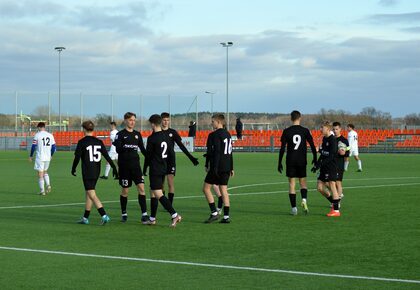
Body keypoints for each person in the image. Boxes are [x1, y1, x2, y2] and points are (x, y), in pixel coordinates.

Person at [71, 120, 118, 225]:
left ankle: (104, 215)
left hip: (87, 171)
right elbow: (107, 156)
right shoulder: (99, 142)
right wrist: (114, 167)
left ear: (84, 129)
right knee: (89, 193)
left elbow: (77, 158)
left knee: (91, 193)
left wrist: (73, 168)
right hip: (96, 171)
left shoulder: (82, 142)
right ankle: (85, 218)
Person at [143, 114, 182, 227]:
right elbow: (171, 153)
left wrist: (144, 169)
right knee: (153, 192)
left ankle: (174, 215)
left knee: (158, 193)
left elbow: (148, 156)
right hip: (163, 168)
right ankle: (152, 218)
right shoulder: (166, 136)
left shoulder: (152, 138)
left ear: (153, 124)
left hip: (155, 169)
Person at [278, 111, 317, 215]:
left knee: (292, 184)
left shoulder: (286, 131)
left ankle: (294, 209)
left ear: (291, 118)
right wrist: (315, 158)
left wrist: (279, 162)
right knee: (303, 182)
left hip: (290, 160)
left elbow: (282, 149)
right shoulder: (305, 131)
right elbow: (312, 145)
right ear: (300, 118)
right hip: (301, 160)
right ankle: (304, 200)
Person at [113, 112, 149, 224]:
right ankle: (124, 213)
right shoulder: (120, 134)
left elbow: (143, 150)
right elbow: (118, 149)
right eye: (130, 120)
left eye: (134, 120)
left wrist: (151, 157)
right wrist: (127, 148)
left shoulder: (137, 134)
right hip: (124, 167)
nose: (132, 122)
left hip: (136, 167)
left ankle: (144, 214)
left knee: (142, 189)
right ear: (125, 121)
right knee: (125, 191)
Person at [160, 112, 199, 204]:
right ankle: (164, 201)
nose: (166, 122)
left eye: (167, 120)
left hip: (170, 160)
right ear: (161, 120)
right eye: (164, 120)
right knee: (161, 185)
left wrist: (191, 157)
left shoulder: (172, 132)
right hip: (160, 161)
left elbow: (181, 146)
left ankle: (170, 204)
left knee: (170, 182)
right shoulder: (157, 132)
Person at [203, 114, 234, 224]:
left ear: (218, 122)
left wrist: (212, 167)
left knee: (206, 188)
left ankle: (214, 213)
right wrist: (231, 167)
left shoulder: (214, 135)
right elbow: (230, 152)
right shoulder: (228, 134)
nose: (211, 124)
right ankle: (226, 217)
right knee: (224, 190)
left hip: (217, 166)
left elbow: (215, 152)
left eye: (213, 122)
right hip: (226, 166)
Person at [311, 121, 341, 217]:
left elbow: (331, 156)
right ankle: (334, 202)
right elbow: (323, 153)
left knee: (332, 185)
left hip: (331, 166)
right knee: (319, 188)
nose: (320, 130)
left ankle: (336, 211)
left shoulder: (333, 140)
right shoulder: (324, 139)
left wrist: (320, 164)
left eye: (322, 128)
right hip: (324, 166)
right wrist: (317, 164)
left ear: (327, 129)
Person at [29, 122, 56, 196]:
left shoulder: (37, 135)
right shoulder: (50, 135)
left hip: (40, 156)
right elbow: (54, 147)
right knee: (45, 171)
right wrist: (51, 155)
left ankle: (42, 191)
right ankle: (48, 185)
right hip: (48, 157)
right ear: (44, 127)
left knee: (40, 174)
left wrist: (31, 155)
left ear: (39, 127)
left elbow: (33, 146)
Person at [333, 122, 350, 200]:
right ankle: (338, 195)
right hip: (331, 164)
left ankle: (338, 201)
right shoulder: (331, 139)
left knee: (338, 182)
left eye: (336, 129)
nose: (335, 131)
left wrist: (344, 153)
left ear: (340, 129)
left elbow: (348, 151)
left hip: (339, 164)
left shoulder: (344, 140)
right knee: (329, 183)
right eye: (334, 129)